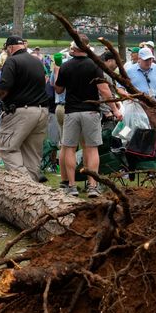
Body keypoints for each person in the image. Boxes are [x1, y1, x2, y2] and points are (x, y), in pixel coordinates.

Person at [55, 36, 122, 198]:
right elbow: (104, 90)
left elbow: (58, 90)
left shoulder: (65, 66)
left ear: (73, 49)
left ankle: (71, 186)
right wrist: (115, 110)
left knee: (69, 148)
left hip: (71, 111)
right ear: (86, 47)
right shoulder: (95, 65)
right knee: (92, 149)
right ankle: (93, 186)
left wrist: (58, 71)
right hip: (91, 111)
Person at [0, 36, 51, 181]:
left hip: (21, 111)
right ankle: (34, 191)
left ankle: (26, 184)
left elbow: (4, 87)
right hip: (41, 110)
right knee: (32, 152)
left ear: (10, 47)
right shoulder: (37, 61)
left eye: (6, 49)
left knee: (6, 147)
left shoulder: (12, 61)